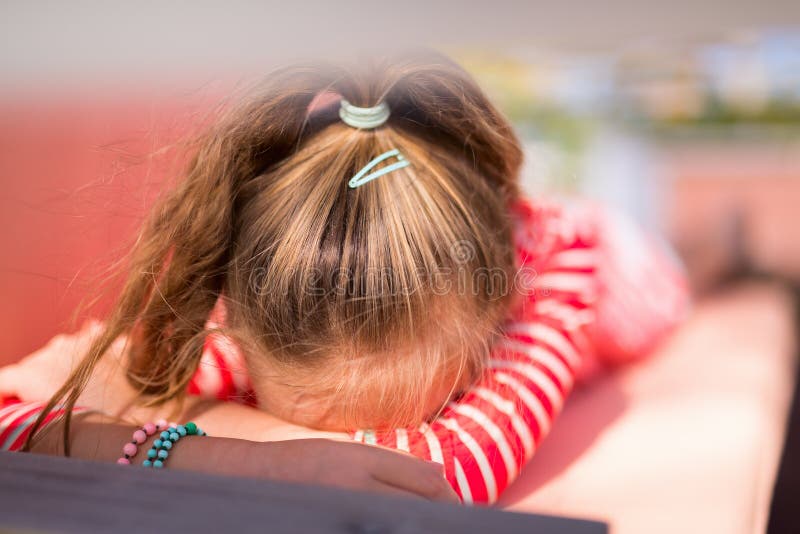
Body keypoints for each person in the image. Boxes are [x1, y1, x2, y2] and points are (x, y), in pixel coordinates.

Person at [0, 50, 689, 505]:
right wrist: (258, 460)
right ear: (235, 319)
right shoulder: (272, 297)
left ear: (495, 316)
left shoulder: (547, 279)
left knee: (683, 278)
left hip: (617, 266)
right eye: (303, 419)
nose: (368, 445)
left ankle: (711, 250)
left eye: (400, 421)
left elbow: (438, 480)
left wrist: (174, 420)